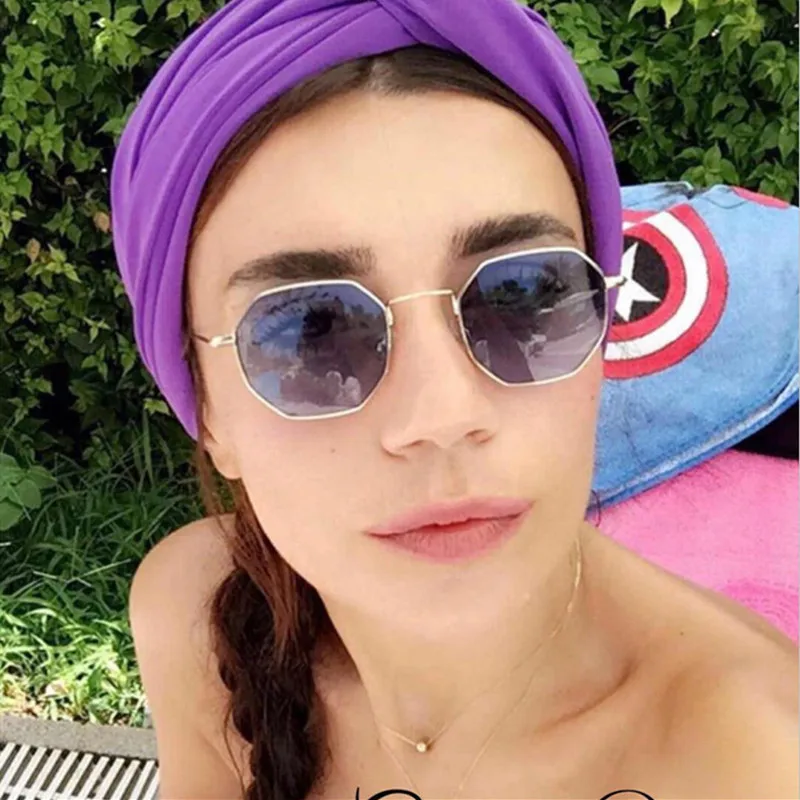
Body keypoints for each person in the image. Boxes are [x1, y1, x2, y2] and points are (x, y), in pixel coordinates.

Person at [112, 2, 798, 799]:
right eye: (310, 330)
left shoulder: (755, 763)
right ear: (205, 408)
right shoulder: (201, 621)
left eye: (523, 296)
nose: (442, 415)